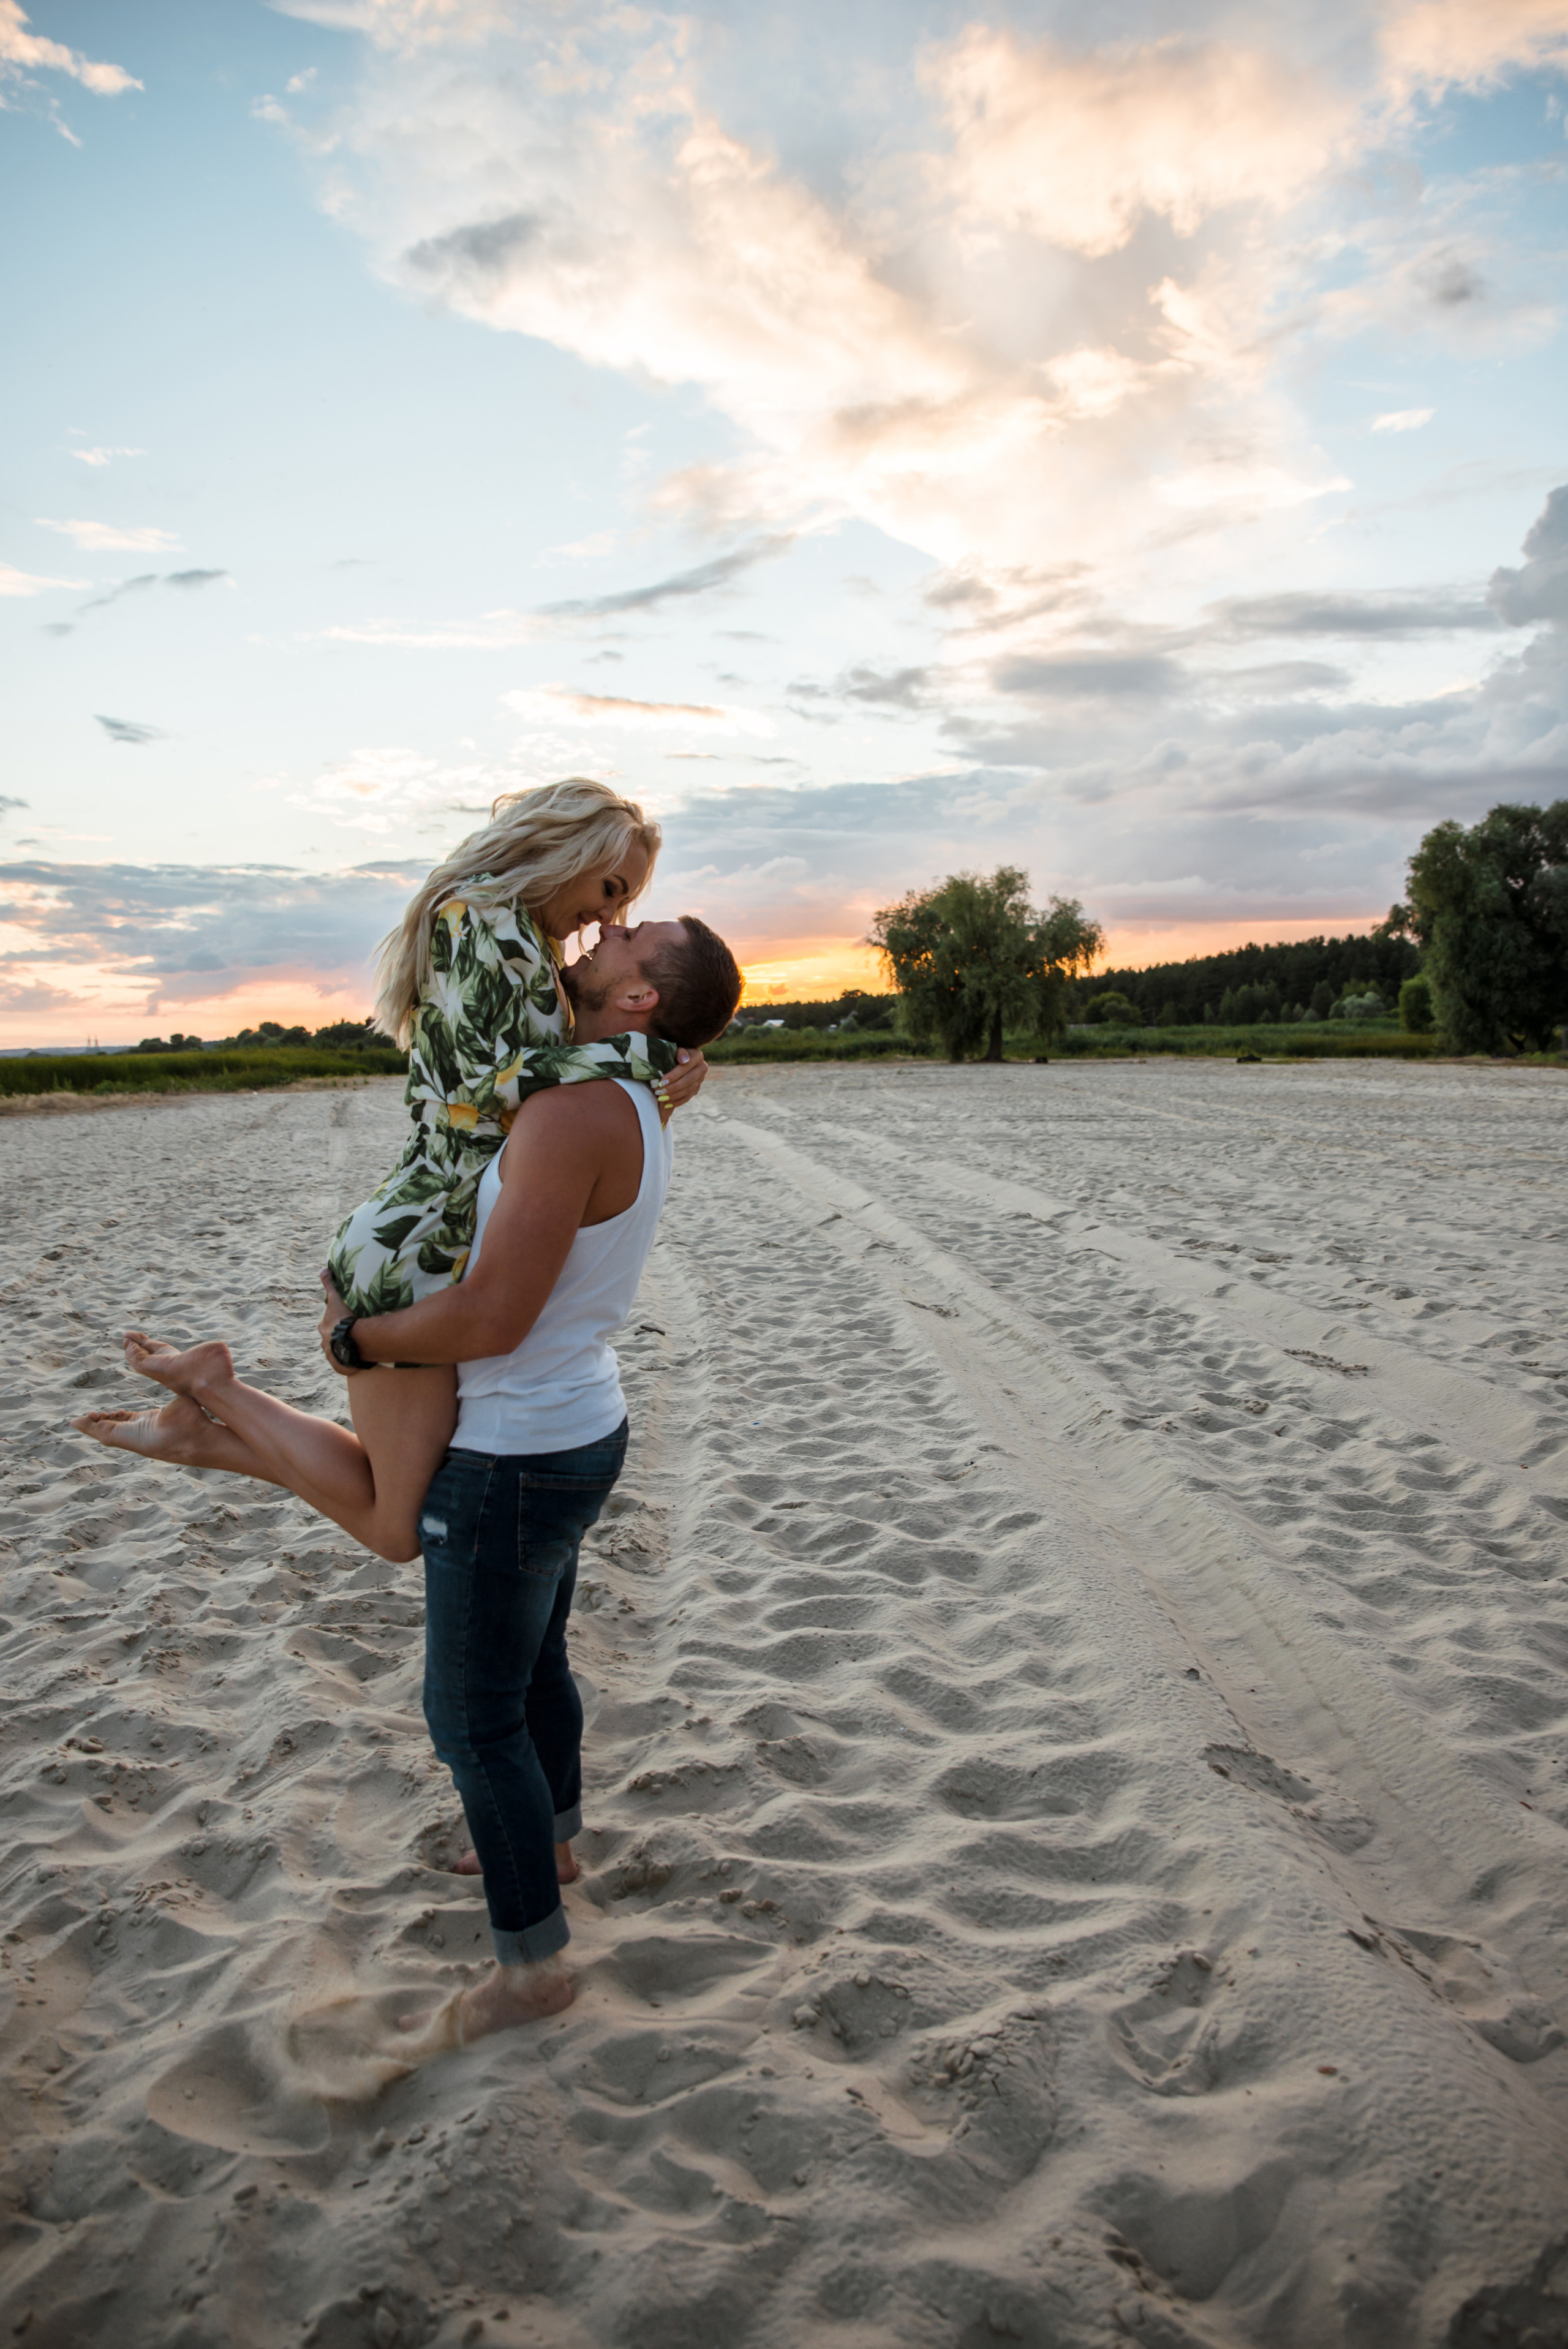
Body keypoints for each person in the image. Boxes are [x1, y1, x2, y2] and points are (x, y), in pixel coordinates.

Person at [77, 913, 744, 2042]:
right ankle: (556, 1846)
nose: (608, 928)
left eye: (634, 935)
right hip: (569, 1425)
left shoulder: (578, 1109)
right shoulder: (614, 1090)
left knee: (471, 1719)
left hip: (519, 1449)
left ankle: (531, 1971)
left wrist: (353, 1341)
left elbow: (489, 1316)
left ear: (640, 1000)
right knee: (532, 1670)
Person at [72, 776, 707, 1557]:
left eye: (626, 904)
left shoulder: (527, 939)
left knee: (395, 1505)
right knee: (395, 1525)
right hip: (418, 1249)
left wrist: (670, 1060)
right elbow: (482, 1088)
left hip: (441, 1232)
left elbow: (569, 1064)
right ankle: (212, 1399)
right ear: (567, 848)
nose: (609, 917)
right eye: (611, 889)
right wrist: (638, 1053)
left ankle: (202, 1419)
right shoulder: (477, 920)